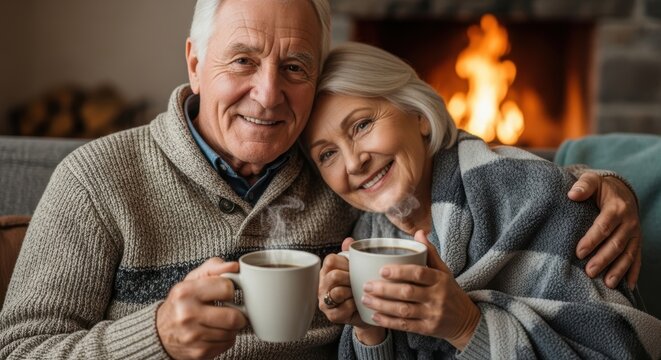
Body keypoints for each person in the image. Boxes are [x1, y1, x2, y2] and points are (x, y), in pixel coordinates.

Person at [0, 0, 643, 359]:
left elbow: (466, 170)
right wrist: (156, 338)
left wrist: (599, 182)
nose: (268, 93)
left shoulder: (337, 185)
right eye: (243, 61)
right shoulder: (97, 179)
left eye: (296, 67)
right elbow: (20, 349)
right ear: (195, 63)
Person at [304, 42, 661, 359]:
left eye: (363, 124)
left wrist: (467, 326)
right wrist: (369, 329)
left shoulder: (534, 197)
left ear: (419, 116)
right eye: (327, 154)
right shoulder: (368, 234)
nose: (353, 162)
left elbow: (618, 349)